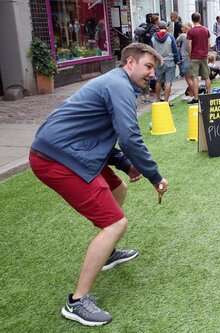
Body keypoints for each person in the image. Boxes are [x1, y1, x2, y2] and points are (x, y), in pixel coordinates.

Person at [29, 43, 169, 327]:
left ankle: (106, 253)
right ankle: (77, 301)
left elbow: (98, 132)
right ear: (130, 63)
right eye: (148, 67)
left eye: (154, 69)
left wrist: (125, 164)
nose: (152, 75)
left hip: (69, 150)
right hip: (58, 158)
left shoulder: (116, 83)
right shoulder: (118, 85)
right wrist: (154, 176)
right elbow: (129, 136)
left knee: (120, 189)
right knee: (116, 223)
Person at [151, 21, 181, 106]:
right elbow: (175, 50)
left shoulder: (153, 38)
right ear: (166, 27)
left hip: (158, 62)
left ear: (158, 27)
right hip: (170, 62)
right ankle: (166, 101)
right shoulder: (170, 37)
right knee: (168, 82)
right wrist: (177, 60)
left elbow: (151, 50)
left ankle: (157, 99)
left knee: (158, 81)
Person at [187, 12, 211, 104]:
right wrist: (207, 52)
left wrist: (190, 55)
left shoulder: (191, 31)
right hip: (204, 55)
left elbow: (189, 46)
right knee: (206, 76)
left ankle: (196, 97)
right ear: (200, 19)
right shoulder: (206, 30)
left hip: (194, 56)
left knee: (194, 77)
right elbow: (208, 43)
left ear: (192, 20)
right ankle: (209, 94)